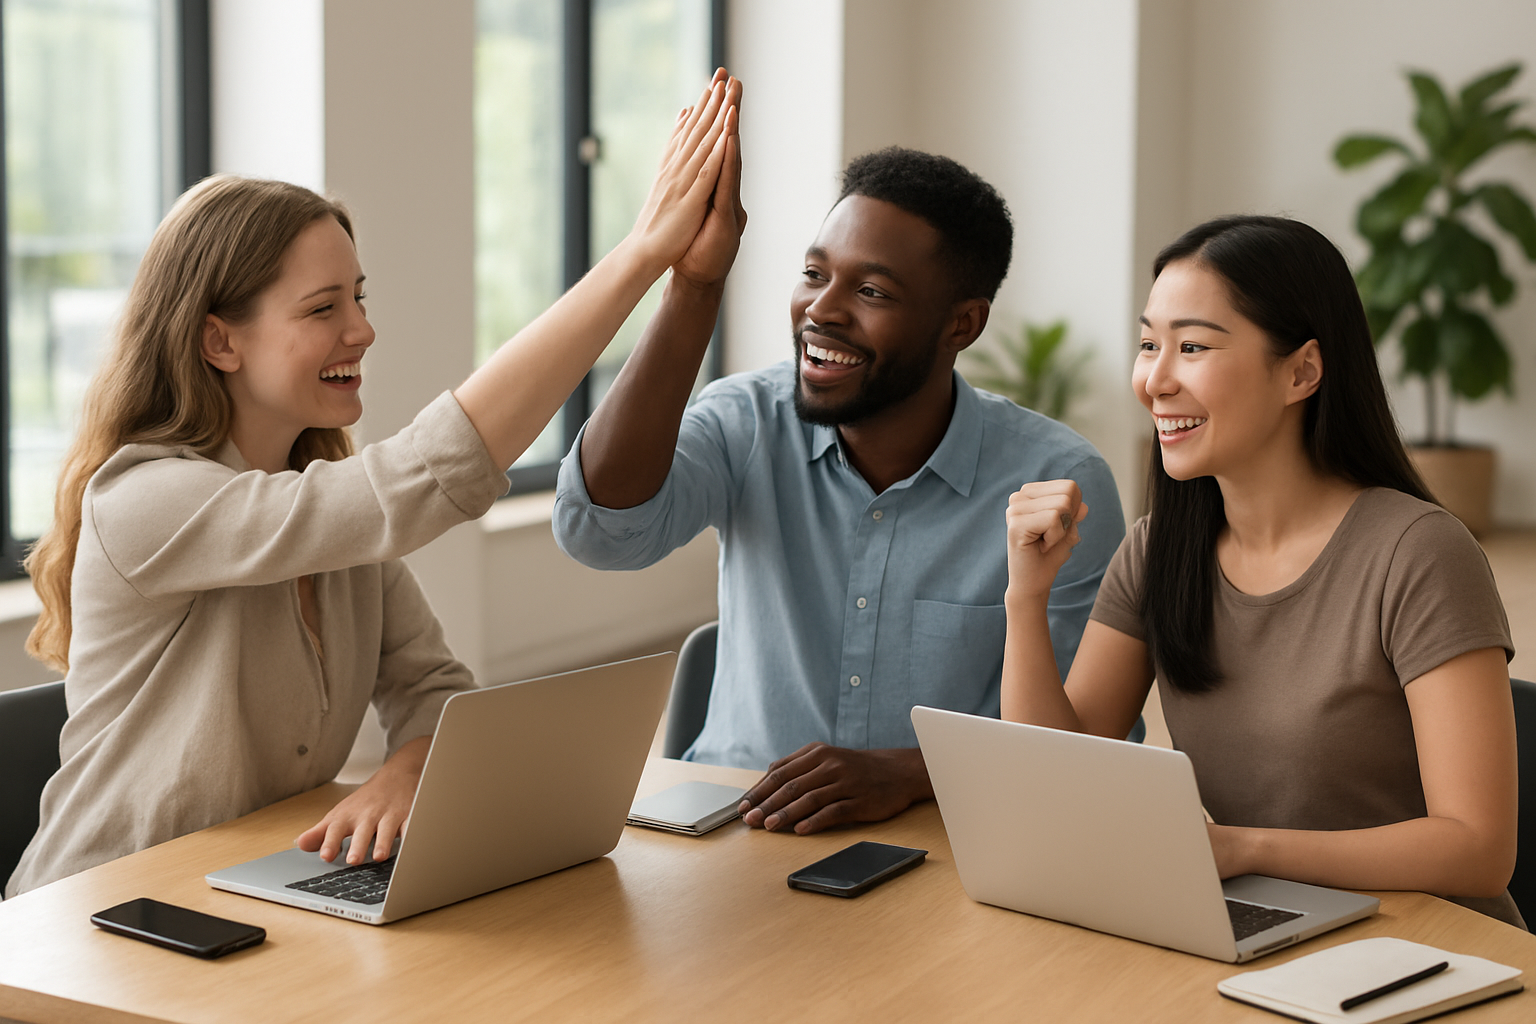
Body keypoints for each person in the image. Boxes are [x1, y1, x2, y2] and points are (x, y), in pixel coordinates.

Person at [5, 73, 742, 897]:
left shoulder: (333, 527)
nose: (362, 329)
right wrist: (639, 257)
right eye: (323, 308)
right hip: (93, 918)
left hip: (246, 893)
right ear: (220, 342)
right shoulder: (144, 501)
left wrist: (406, 772)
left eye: (357, 298)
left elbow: (434, 691)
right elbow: (416, 480)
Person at [553, 147, 1124, 836]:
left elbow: (1075, 741)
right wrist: (695, 286)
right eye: (814, 274)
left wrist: (908, 773)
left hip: (939, 840)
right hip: (734, 824)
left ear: (961, 325)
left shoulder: (1057, 481)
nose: (821, 310)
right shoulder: (746, 419)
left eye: (872, 291)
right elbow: (602, 534)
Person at [1000, 214, 1522, 926]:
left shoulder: (1419, 552)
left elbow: (1478, 851)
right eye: (1149, 344)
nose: (1154, 381)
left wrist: (1244, 849)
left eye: (1191, 347)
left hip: (1434, 946)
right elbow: (1055, 783)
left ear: (1302, 371)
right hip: (1267, 925)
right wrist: (1026, 597)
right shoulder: (1159, 551)